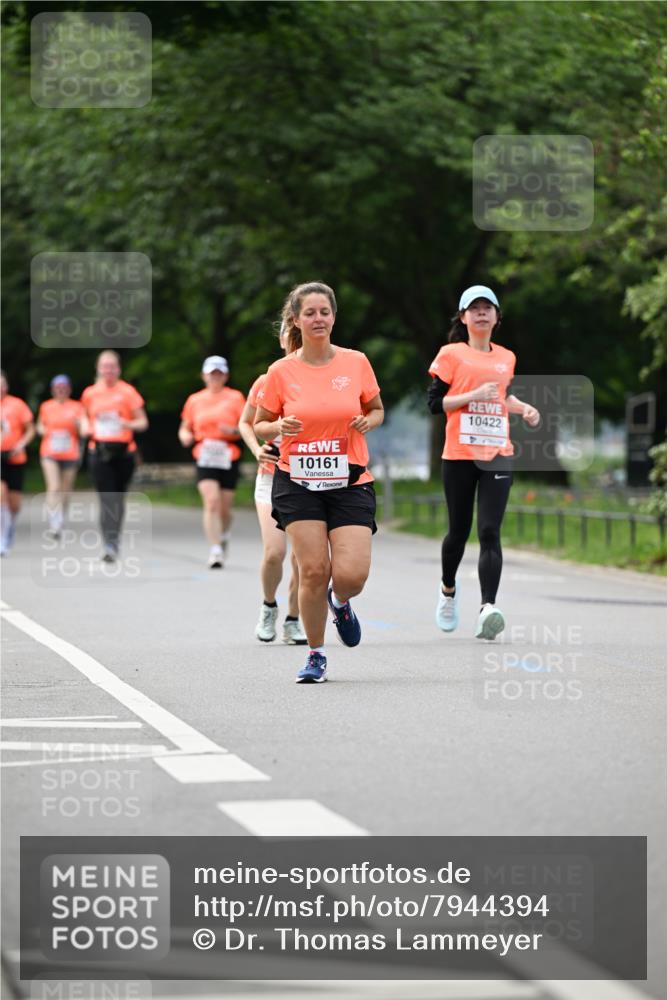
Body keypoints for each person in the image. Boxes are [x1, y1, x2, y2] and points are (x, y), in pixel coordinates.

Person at [255, 282, 384, 684]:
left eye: (324, 312)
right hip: (298, 481)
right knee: (312, 570)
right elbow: (260, 425)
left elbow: (377, 408)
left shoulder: (356, 362)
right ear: (296, 319)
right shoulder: (281, 372)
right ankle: (315, 654)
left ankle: (341, 602)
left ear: (333, 316)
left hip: (349, 479)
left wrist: (368, 421)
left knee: (351, 575)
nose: (317, 319)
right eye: (309, 313)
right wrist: (278, 425)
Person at [427, 285, 540, 639]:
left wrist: (523, 409)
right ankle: (448, 591)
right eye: (473, 308)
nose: (480, 313)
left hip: (496, 454)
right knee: (458, 532)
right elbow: (434, 404)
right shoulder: (451, 354)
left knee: (489, 530)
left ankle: (487, 607)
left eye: (487, 307)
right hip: (459, 455)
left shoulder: (507, 357)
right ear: (462, 317)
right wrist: (471, 395)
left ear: (497, 317)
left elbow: (502, 397)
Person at [240, 325, 307, 645]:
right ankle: (269, 606)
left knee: (302, 558)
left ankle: (293, 619)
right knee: (274, 553)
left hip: (306, 477)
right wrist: (256, 449)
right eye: (288, 334)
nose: (293, 339)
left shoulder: (317, 378)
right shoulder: (267, 380)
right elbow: (246, 421)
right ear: (281, 340)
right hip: (270, 477)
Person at [81, 350, 148, 563]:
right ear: (98, 369)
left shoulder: (128, 392)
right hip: (99, 451)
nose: (108, 370)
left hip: (124, 452)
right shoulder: (90, 393)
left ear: (118, 369)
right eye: (104, 366)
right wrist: (85, 427)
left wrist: (127, 424)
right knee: (107, 497)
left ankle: (115, 538)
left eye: (112, 366)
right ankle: (109, 543)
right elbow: (83, 416)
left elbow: (143, 422)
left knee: (118, 498)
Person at [179, 356, 245, 568]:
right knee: (212, 502)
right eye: (211, 373)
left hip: (228, 455)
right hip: (205, 454)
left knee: (225, 508)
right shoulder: (195, 400)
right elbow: (185, 427)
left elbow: (247, 427)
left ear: (225, 375)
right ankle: (215, 550)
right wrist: (184, 436)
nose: (215, 377)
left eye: (219, 373)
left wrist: (233, 431)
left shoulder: (235, 398)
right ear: (204, 376)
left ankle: (223, 533)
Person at [37, 374, 84, 538]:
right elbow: (40, 427)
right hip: (50, 452)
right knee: (54, 486)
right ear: (53, 390)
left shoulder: (77, 407)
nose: (61, 391)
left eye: (64, 388)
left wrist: (78, 425)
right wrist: (47, 431)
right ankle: (54, 522)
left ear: (69, 389)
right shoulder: (46, 406)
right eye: (58, 388)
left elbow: (83, 428)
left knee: (66, 489)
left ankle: (61, 518)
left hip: (70, 452)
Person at [0, 371, 35, 556]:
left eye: (2, 385)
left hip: (15, 457)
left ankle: (9, 530)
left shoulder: (17, 405)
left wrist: (20, 444)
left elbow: (30, 429)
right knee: (1, 497)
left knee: (14, 505)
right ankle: (2, 539)